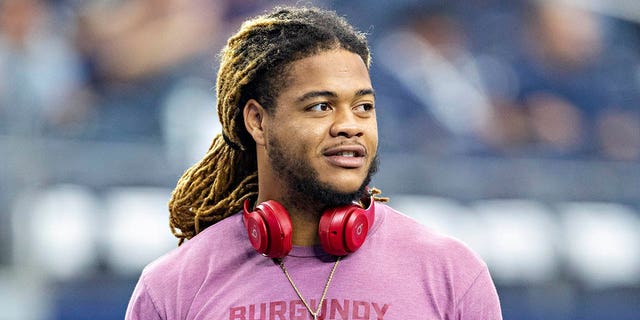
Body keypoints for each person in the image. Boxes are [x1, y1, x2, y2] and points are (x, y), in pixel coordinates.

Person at [125, 6, 502, 319]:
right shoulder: (171, 289)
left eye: (363, 107)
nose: (349, 126)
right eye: (321, 107)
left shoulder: (452, 274)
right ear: (257, 121)